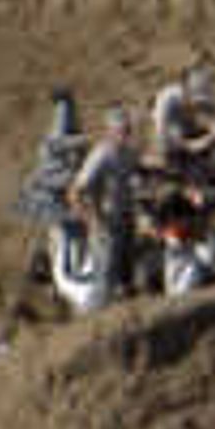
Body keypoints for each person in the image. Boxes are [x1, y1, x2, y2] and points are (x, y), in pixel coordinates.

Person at [71, 102, 141, 304]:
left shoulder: (128, 152)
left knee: (127, 276)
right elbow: (75, 191)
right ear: (109, 131)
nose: (125, 134)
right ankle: (95, 323)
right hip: (107, 223)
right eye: (121, 130)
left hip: (126, 218)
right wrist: (92, 221)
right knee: (105, 277)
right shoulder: (101, 155)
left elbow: (140, 165)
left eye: (127, 130)